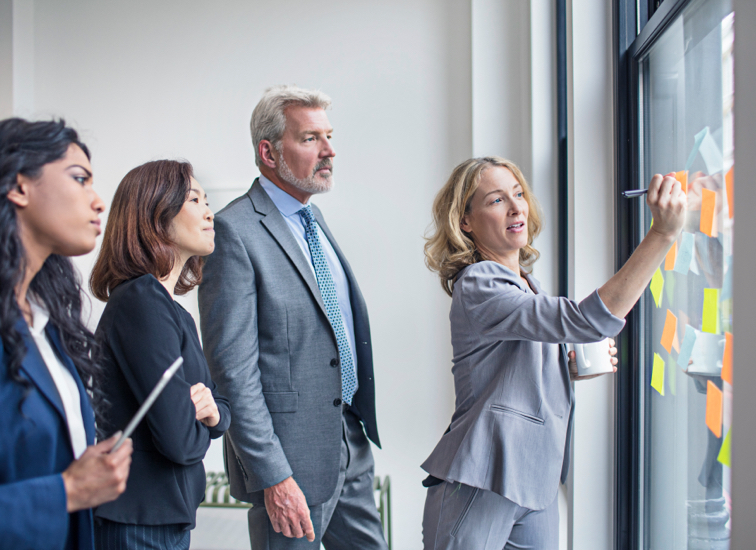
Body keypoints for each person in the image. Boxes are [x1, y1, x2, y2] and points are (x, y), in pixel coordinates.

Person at [421, 156, 686, 549]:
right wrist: (662, 235)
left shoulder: (527, 284)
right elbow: (586, 321)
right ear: (466, 221)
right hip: (485, 475)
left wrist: (564, 366)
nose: (516, 207)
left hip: (535, 479)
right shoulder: (478, 283)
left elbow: (509, 363)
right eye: (496, 200)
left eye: (518, 194)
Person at [198, 85, 388, 549]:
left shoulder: (313, 218)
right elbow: (233, 372)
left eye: (328, 136)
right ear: (268, 152)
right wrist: (273, 476)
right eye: (310, 139)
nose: (330, 150)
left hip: (349, 439)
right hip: (288, 463)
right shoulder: (233, 231)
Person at [0, 118, 132, 550]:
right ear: (19, 187)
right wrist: (68, 491)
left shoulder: (46, 323)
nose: (99, 202)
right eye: (80, 180)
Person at [89, 160, 231, 549]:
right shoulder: (142, 302)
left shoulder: (173, 311)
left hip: (161, 519)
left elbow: (218, 407)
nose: (208, 211)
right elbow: (181, 442)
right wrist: (203, 415)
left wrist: (210, 412)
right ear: (156, 214)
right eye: (194, 199)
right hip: (138, 522)